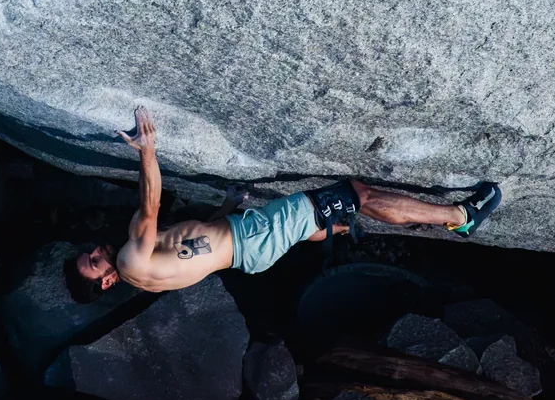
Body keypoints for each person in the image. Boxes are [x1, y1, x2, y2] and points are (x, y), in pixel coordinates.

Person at [66, 106, 502, 300]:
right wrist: (147, 149)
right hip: (253, 238)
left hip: (248, 255)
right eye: (92, 262)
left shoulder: (146, 277)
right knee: (356, 194)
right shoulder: (129, 261)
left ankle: (352, 226)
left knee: (318, 222)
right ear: (106, 282)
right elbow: (149, 209)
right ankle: (460, 218)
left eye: (88, 253)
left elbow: (191, 249)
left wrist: (224, 208)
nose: (96, 252)